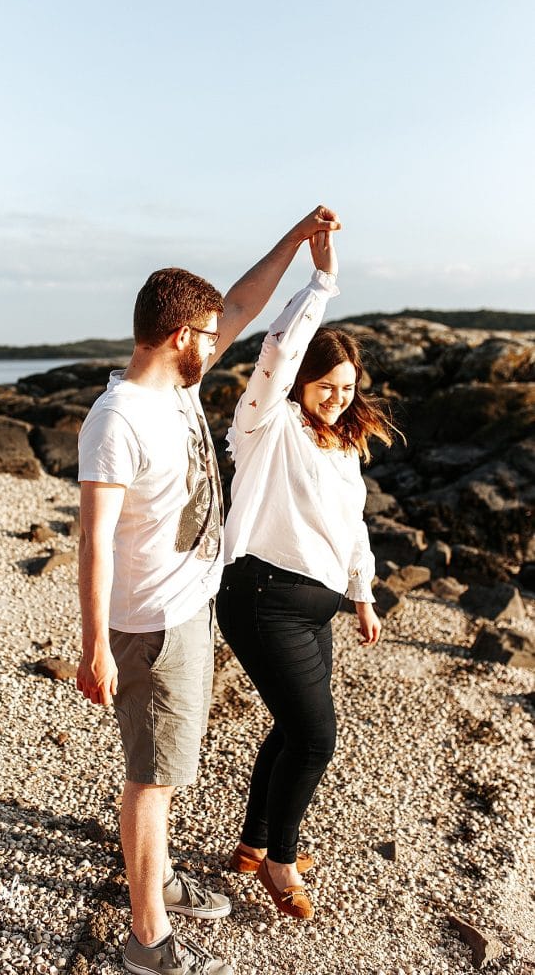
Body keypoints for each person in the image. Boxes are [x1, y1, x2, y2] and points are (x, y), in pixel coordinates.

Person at [75, 206, 341, 975]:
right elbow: (91, 539)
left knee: (168, 767)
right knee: (152, 780)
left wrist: (296, 244)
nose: (217, 340)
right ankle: (146, 936)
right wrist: (95, 645)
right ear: (177, 338)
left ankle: (154, 878)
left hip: (187, 608)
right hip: (152, 622)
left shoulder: (176, 389)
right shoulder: (117, 419)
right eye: (207, 332)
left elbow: (244, 302)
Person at [215, 230, 398, 921]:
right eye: (326, 385)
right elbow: (275, 351)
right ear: (299, 381)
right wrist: (320, 281)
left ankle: (253, 845)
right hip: (260, 599)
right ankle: (281, 862)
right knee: (315, 739)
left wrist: (363, 594)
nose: (336, 398)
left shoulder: (341, 440)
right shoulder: (267, 426)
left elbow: (351, 524)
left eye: (347, 388)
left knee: (290, 729)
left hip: (313, 606)